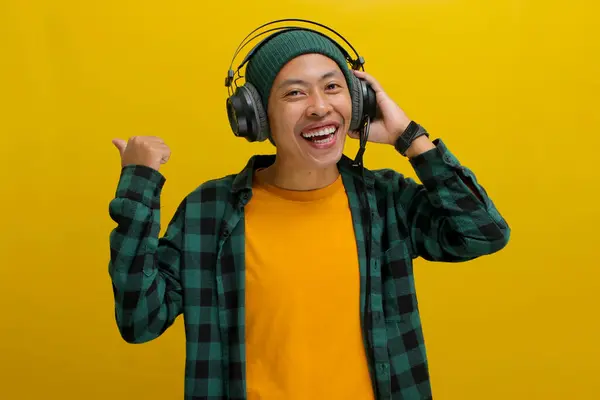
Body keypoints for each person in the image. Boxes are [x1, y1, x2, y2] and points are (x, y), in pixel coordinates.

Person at [108, 24, 510, 400]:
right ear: (257, 117)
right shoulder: (208, 213)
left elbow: (483, 232)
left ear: (357, 101)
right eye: (295, 93)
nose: (320, 107)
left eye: (333, 87)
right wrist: (138, 188)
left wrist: (410, 139)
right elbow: (140, 320)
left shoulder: (386, 201)